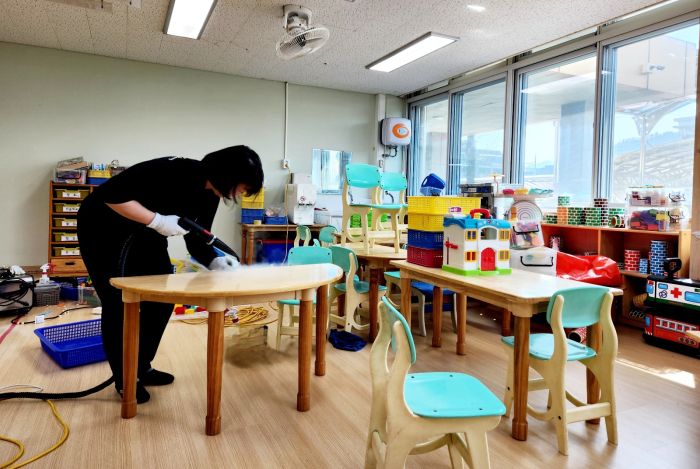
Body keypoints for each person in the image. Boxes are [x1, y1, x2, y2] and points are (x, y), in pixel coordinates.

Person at [78, 146, 264, 404]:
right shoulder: (172, 170)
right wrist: (157, 221)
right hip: (103, 228)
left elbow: (197, 239)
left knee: (162, 299)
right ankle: (125, 380)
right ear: (227, 175)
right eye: (243, 187)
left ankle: (141, 366)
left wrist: (217, 263)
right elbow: (110, 195)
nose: (242, 193)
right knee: (117, 302)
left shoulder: (210, 194)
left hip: (146, 234)